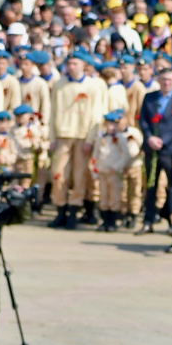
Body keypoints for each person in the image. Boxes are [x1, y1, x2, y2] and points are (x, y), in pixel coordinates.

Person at [47, 53, 104, 228]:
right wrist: (52, 137)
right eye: (69, 63)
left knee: (80, 175)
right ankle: (60, 208)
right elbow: (53, 112)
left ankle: (74, 209)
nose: (71, 66)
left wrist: (90, 139)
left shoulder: (92, 86)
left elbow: (97, 114)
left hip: (82, 136)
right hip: (63, 135)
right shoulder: (60, 84)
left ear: (83, 65)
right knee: (58, 173)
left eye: (75, 63)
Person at [138, 65, 172, 232]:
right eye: (163, 80)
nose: (167, 83)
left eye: (169, 80)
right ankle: (148, 221)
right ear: (159, 81)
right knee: (151, 185)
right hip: (152, 148)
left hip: (171, 149)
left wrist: (164, 140)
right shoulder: (150, 97)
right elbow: (143, 120)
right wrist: (150, 137)